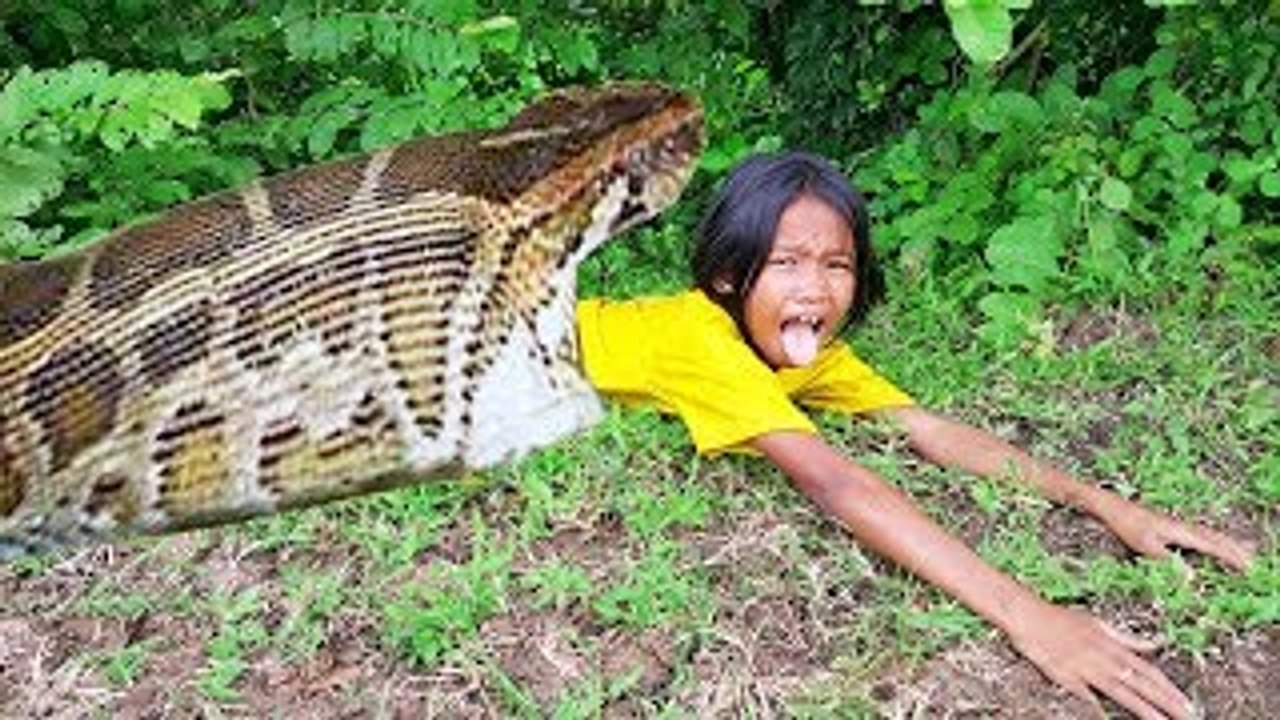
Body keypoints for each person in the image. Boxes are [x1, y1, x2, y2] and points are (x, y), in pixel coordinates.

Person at [575, 151, 1256, 719]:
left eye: (836, 265)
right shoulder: (701, 341)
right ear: (728, 274)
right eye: (786, 263)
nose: (814, 289)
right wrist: (1028, 614)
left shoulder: (806, 356)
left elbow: (928, 430)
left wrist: (1108, 505)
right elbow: (834, 481)